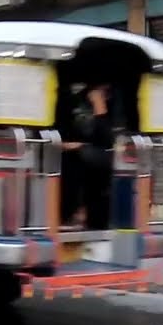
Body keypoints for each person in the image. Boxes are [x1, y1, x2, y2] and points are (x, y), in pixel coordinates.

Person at [59, 83, 116, 229]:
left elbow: (106, 139)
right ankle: (72, 214)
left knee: (93, 160)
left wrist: (99, 105)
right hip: (69, 152)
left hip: (95, 155)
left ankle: (83, 214)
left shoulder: (112, 102)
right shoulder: (74, 101)